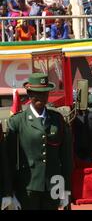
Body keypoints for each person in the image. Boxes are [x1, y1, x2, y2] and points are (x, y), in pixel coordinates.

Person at [2, 73, 72, 210]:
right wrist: (9, 192)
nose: (41, 97)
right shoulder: (17, 121)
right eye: (36, 93)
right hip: (27, 186)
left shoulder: (57, 119)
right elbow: (9, 160)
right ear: (29, 94)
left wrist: (66, 189)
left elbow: (66, 157)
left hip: (54, 185)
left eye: (45, 93)